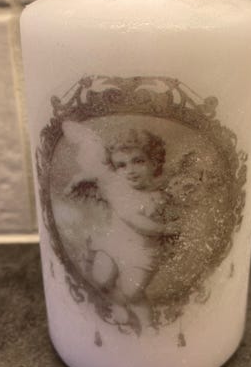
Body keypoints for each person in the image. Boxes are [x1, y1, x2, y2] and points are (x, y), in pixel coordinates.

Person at [63, 129, 179, 318]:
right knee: (101, 277)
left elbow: (150, 222)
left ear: (154, 163)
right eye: (121, 165)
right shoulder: (118, 189)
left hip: (142, 254)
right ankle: (118, 306)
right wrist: (75, 183)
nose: (130, 170)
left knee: (132, 291)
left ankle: (148, 326)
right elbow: (95, 175)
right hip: (113, 245)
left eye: (138, 161)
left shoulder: (159, 197)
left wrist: (166, 228)